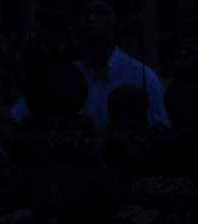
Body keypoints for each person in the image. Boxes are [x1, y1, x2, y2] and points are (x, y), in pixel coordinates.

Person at [10, 0, 169, 128]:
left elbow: (159, 131)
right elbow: (17, 117)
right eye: (86, 12)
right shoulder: (60, 73)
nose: (91, 18)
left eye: (101, 12)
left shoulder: (144, 78)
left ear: (119, 22)